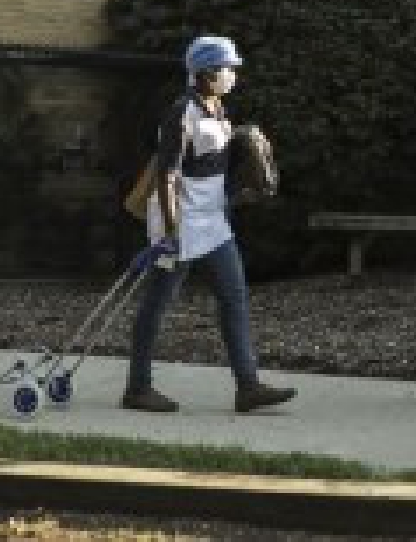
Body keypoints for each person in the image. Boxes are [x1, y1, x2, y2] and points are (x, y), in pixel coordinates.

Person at [121, 34, 295, 415]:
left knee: (234, 298)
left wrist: (242, 194)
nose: (232, 74)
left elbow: (211, 175)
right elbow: (168, 176)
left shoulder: (218, 110)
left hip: (213, 221)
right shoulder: (181, 113)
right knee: (157, 303)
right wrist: (168, 232)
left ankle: (247, 387)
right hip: (178, 221)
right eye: (227, 68)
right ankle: (137, 387)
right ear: (205, 72)